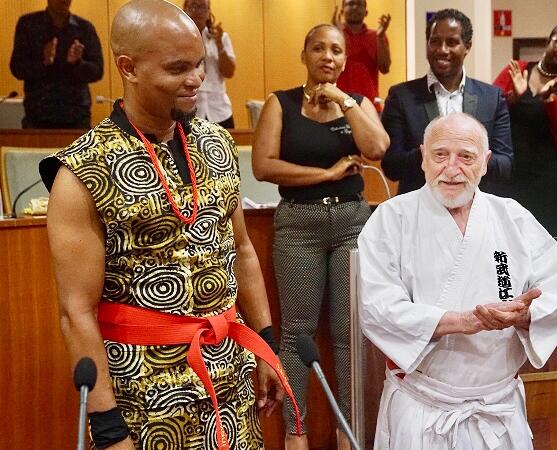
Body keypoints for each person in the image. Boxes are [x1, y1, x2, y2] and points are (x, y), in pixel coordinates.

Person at [38, 1, 296, 448]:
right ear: (129, 68)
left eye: (198, 64)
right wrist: (107, 425)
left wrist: (267, 348)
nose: (195, 78)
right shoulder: (81, 170)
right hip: (144, 395)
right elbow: (75, 311)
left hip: (229, 381)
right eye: (178, 68)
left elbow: (242, 250)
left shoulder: (216, 142)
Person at [358, 112, 557, 449]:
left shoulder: (512, 217)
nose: (452, 168)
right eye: (440, 155)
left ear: (485, 163)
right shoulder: (391, 218)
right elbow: (377, 306)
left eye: (466, 157)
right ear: (423, 159)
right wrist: (460, 321)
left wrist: (526, 315)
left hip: (497, 409)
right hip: (423, 410)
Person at [251, 23, 388, 450]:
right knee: (297, 334)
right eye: (318, 49)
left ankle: (348, 435)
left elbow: (378, 147)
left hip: (351, 223)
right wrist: (326, 174)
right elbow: (263, 166)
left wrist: (345, 100)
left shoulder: (358, 103)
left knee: (350, 335)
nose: (328, 57)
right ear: (305, 54)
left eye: (336, 51)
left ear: (346, 59)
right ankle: (297, 434)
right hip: (299, 226)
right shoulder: (281, 103)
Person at [381, 8, 513, 195]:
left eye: (452, 42)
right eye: (435, 41)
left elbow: (505, 165)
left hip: (474, 213)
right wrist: (431, 153)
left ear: (467, 47)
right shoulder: (401, 97)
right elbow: (391, 166)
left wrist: (468, 156)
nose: (442, 50)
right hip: (419, 211)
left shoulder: (492, 98)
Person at [493, 23, 557, 253]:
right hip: (511, 175)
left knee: (550, 247)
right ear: (549, 40)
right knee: (507, 243)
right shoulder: (517, 71)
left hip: (552, 180)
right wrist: (512, 98)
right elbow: (490, 108)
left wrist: (551, 101)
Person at [10, 0, 103, 129]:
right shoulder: (28, 24)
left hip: (76, 117)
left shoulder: (84, 28)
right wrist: (44, 61)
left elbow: (97, 71)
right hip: (37, 117)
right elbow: (17, 68)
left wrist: (77, 63)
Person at [183, 0, 236, 128]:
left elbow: (229, 72)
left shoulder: (221, 37)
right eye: (193, 6)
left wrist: (219, 46)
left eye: (202, 7)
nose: (197, 11)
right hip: (189, 111)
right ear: (185, 10)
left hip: (219, 110)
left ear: (208, 12)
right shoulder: (178, 38)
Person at [332, 0, 391, 106]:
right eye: (350, 4)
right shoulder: (333, 36)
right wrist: (339, 34)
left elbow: (385, 68)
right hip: (339, 105)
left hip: (369, 106)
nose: (355, 7)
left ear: (366, 12)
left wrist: (380, 37)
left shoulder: (377, 35)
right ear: (342, 11)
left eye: (359, 4)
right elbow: (333, 67)